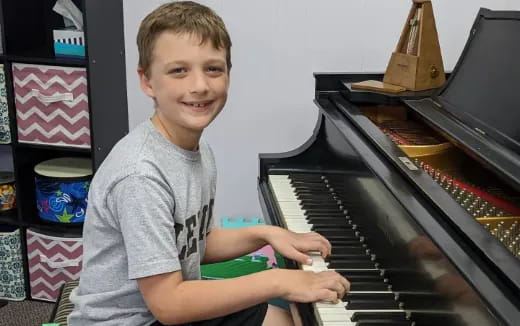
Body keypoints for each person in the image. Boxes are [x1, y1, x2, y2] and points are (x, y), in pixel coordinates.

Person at [68, 1, 349, 325]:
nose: (199, 85)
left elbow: (197, 244)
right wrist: (277, 281)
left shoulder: (196, 151)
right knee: (290, 304)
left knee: (287, 320)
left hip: (169, 303)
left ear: (228, 74)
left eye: (213, 69)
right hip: (132, 320)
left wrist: (268, 234)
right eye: (179, 70)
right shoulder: (140, 176)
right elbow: (169, 305)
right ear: (147, 81)